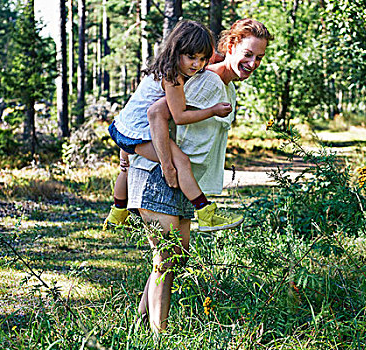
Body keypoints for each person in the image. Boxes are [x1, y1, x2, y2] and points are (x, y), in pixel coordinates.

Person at [129, 18, 273, 333]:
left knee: (173, 259)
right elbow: (155, 114)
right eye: (248, 54)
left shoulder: (226, 86)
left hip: (181, 180)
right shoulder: (206, 80)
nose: (253, 63)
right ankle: (160, 336)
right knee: (166, 260)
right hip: (160, 175)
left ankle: (137, 327)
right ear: (230, 46)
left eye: (259, 58)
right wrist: (167, 166)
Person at [104, 20, 243, 232]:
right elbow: (179, 116)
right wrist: (212, 110)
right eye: (191, 57)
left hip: (124, 126)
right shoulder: (173, 77)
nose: (196, 65)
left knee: (125, 168)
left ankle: (117, 212)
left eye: (202, 59)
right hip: (139, 132)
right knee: (182, 162)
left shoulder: (164, 68)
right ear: (177, 50)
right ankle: (205, 212)